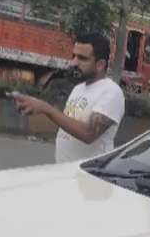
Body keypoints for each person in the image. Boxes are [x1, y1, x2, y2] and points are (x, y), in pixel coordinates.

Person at [12, 33, 125, 163]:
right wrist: (34, 107)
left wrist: (46, 108)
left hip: (89, 173)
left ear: (100, 64)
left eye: (82, 58)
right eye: (74, 56)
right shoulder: (78, 89)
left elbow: (88, 134)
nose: (74, 62)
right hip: (65, 171)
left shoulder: (111, 91)